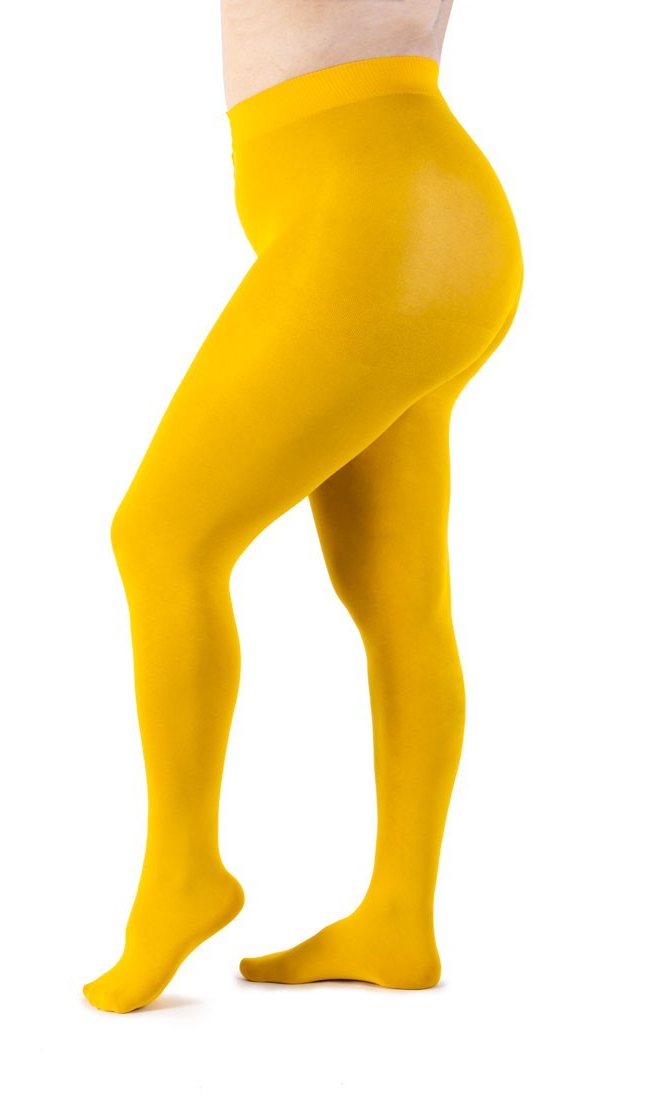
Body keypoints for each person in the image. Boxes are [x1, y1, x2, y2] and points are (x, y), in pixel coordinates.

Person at [82, 0, 524, 1013]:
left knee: (161, 540)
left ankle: (183, 874)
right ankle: (398, 919)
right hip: (434, 209)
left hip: (371, 219)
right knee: (399, 600)